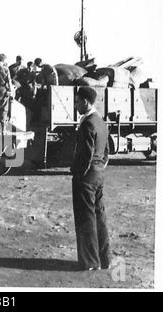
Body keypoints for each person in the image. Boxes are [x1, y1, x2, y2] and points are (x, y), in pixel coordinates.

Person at [71, 86, 111, 271]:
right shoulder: (100, 122)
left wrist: (79, 174)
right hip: (98, 175)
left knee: (85, 218)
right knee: (99, 216)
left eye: (78, 101)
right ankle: (105, 260)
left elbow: (85, 155)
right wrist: (99, 168)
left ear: (85, 102)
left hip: (86, 177)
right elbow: (107, 152)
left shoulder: (87, 123)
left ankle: (89, 262)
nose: (76, 104)